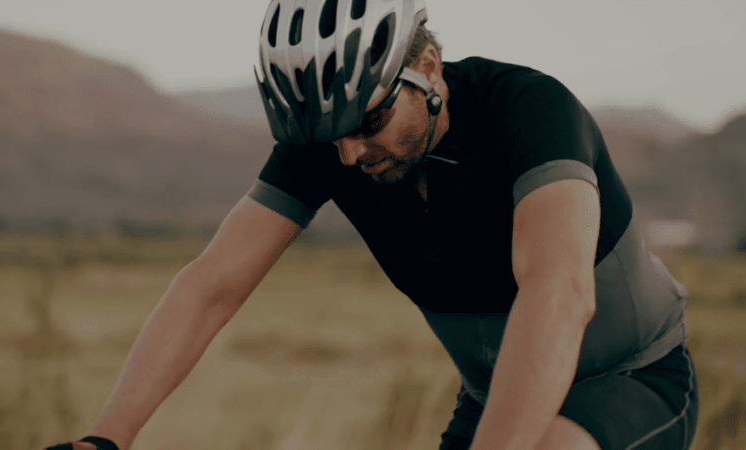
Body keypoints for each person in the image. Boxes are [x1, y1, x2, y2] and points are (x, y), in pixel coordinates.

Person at [46, 0, 699, 449]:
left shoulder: (529, 110)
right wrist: (108, 436)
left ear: (428, 69)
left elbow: (559, 297)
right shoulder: (330, 141)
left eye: (369, 123)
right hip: (497, 394)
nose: (350, 154)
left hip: (631, 377)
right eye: (331, 138)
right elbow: (211, 286)